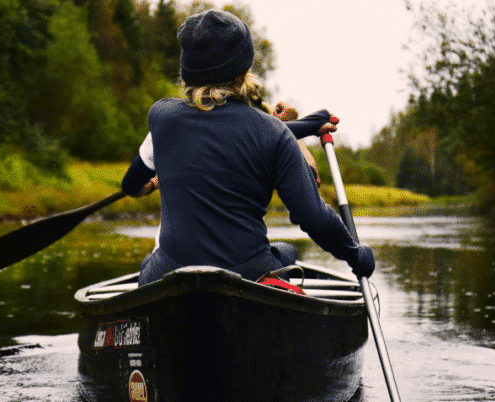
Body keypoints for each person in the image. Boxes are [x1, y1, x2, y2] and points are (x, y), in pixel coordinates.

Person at [120, 9, 374, 286]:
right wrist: (356, 255)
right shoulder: (273, 133)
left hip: (169, 273)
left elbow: (132, 185)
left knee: (148, 263)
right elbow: (314, 219)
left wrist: (151, 183)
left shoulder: (162, 118)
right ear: (242, 73)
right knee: (287, 252)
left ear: (187, 71)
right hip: (249, 276)